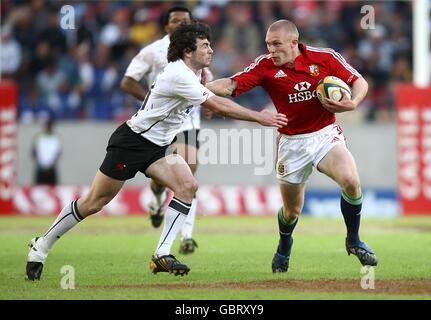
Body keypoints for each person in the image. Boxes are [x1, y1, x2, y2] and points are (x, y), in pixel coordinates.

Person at [25, 21, 288, 280]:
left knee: (187, 186)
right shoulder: (178, 74)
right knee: (94, 202)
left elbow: (212, 94)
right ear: (188, 51)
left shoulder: (193, 75)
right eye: (205, 45)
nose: (211, 50)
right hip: (132, 142)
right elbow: (220, 105)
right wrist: (259, 116)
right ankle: (42, 244)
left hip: (159, 146)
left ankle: (161, 254)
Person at [206, 20, 378, 273]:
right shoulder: (265, 66)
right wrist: (200, 89)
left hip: (324, 134)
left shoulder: (324, 58)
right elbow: (231, 84)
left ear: (293, 43)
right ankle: (284, 245)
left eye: (276, 44)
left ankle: (353, 240)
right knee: (291, 211)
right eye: (268, 44)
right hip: (291, 143)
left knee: (350, 180)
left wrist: (353, 102)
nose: (271, 50)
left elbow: (359, 81)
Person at [120, 6, 208, 254]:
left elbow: (205, 79)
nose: (180, 24)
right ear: (167, 26)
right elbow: (127, 81)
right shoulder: (152, 52)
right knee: (162, 181)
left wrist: (209, 102)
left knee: (188, 172)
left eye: (185, 21)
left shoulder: (198, 49)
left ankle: (186, 237)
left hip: (188, 122)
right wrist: (151, 98)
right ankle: (158, 199)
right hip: (158, 124)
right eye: (175, 20)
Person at [31, 117, 62, 185]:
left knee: (53, 189)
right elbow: (34, 151)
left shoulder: (56, 137)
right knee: (39, 189)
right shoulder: (39, 137)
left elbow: (58, 153)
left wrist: (52, 165)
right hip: (41, 168)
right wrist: (39, 163)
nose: (49, 127)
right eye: (48, 125)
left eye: (50, 125)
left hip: (51, 169)